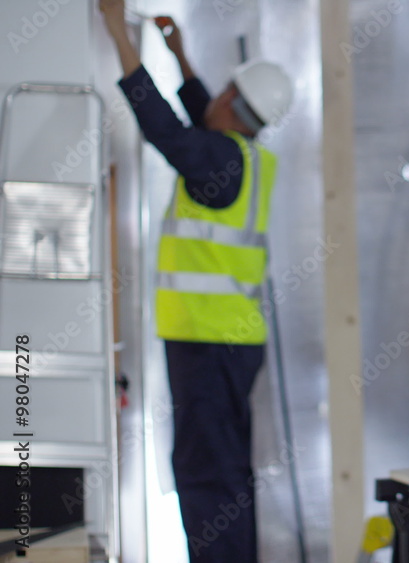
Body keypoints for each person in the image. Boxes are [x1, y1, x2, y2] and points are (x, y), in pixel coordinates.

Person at [99, 1, 293, 560]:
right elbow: (203, 112)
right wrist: (178, 53)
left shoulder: (216, 160)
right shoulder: (246, 159)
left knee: (206, 473)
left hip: (208, 343)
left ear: (233, 100)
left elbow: (165, 126)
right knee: (225, 471)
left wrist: (120, 34)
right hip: (230, 341)